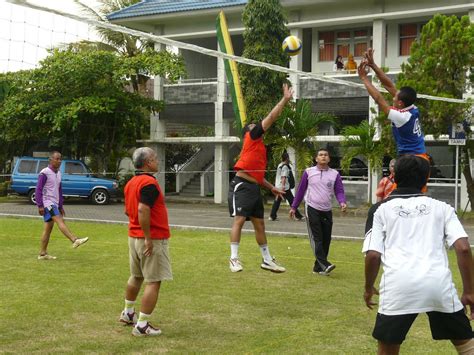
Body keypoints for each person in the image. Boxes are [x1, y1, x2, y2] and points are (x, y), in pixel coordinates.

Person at [363, 155, 474, 355]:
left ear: (393, 176)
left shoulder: (379, 210)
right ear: (427, 178)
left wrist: (368, 286)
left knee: (388, 348)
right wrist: (469, 291)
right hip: (438, 286)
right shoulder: (443, 208)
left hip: (398, 288)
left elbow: (373, 255)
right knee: (467, 345)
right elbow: (464, 248)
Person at [228, 84, 292, 273]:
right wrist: (285, 100)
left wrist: (271, 187)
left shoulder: (259, 149)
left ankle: (266, 260)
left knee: (260, 224)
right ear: (248, 132)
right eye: (253, 125)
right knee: (239, 220)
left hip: (254, 187)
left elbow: (257, 175)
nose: (256, 125)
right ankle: (233, 258)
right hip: (242, 185)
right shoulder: (252, 137)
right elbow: (271, 118)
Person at [120, 147, 173, 337]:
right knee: (154, 280)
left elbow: (129, 210)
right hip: (150, 239)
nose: (158, 161)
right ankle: (142, 325)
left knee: (136, 276)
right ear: (148, 162)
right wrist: (149, 238)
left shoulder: (131, 183)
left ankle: (128, 313)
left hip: (133, 237)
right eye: (155, 158)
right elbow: (142, 209)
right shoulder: (148, 183)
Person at [289, 148, 347, 275]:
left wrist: (342, 202)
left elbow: (339, 191)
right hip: (312, 207)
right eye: (320, 155)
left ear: (329, 158)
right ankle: (325, 264)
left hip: (327, 209)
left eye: (326, 155)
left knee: (326, 239)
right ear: (316, 159)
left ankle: (318, 267)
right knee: (317, 238)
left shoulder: (334, 174)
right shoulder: (309, 172)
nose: (323, 157)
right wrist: (294, 207)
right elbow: (300, 191)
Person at [36, 151, 89, 260]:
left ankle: (42, 253)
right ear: (51, 160)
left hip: (54, 204)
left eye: (60, 159)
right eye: (57, 159)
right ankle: (74, 240)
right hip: (48, 203)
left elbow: (59, 190)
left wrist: (60, 206)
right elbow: (38, 189)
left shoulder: (59, 173)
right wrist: (40, 205)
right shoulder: (44, 173)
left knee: (47, 229)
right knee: (60, 220)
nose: (59, 161)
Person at [269, 151, 304, 222]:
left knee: (278, 201)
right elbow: (283, 177)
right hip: (284, 187)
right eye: (288, 158)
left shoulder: (280, 165)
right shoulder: (285, 166)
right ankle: (298, 216)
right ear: (287, 158)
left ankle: (272, 216)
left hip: (279, 186)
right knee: (292, 201)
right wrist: (282, 188)